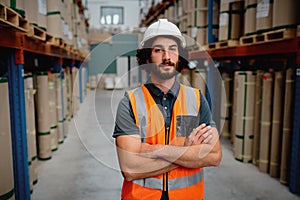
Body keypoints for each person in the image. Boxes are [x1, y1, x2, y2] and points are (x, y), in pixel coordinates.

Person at [113, 19, 222, 200]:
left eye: (173, 49)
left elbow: (214, 155)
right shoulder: (130, 103)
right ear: (147, 58)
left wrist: (152, 150)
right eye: (158, 50)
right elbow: (130, 168)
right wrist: (186, 151)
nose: (167, 57)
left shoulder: (196, 99)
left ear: (180, 56)